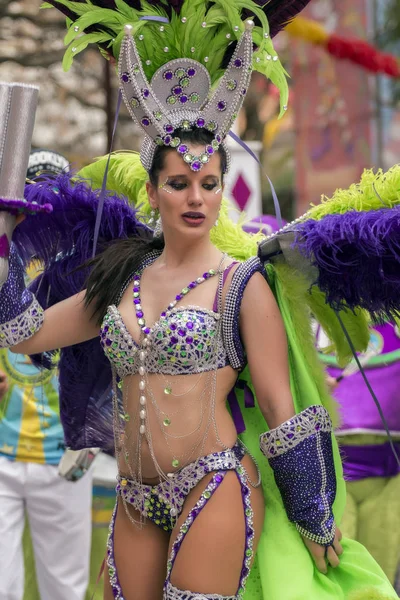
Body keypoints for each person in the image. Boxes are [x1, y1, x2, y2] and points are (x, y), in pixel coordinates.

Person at [1, 2, 400, 599]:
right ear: (154, 188)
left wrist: (315, 518)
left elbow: (278, 404)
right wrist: (5, 249)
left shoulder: (243, 284)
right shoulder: (119, 278)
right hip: (135, 496)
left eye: (208, 184)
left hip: (212, 486)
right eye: (179, 183)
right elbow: (24, 332)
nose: (196, 197)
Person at [0, 151, 93, 600]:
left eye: (54, 189)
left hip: (66, 458)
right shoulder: (1, 259)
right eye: (33, 190)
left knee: (65, 590)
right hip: (0, 455)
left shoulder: (90, 266)